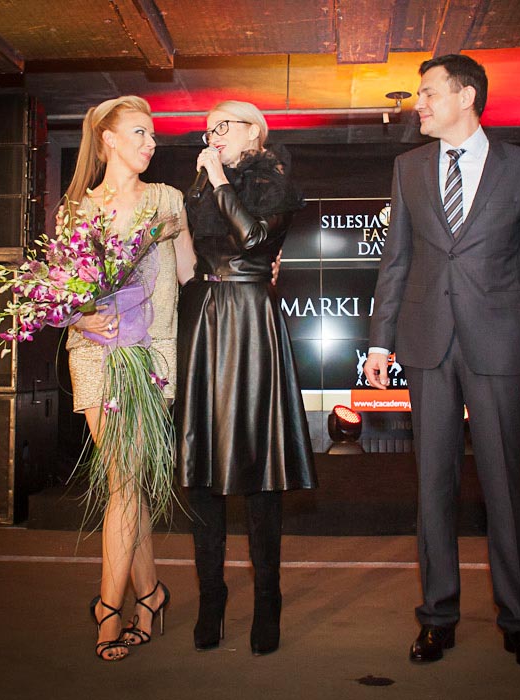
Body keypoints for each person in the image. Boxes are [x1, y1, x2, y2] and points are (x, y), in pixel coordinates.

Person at [364, 55, 520, 672]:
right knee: (433, 487)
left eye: (427, 93)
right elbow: (396, 260)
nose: (417, 104)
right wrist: (379, 342)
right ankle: (437, 618)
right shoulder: (409, 168)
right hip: (427, 344)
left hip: (500, 346)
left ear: (466, 96)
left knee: (504, 486)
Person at [175, 100, 317, 656]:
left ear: (254, 131)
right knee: (202, 467)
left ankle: (267, 600)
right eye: (207, 128)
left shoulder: (273, 181)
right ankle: (211, 599)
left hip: (252, 320)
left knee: (259, 470)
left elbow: (254, 240)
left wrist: (216, 179)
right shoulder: (199, 188)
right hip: (203, 320)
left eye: (223, 125)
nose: (211, 134)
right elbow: (189, 258)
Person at [64, 95, 196, 661]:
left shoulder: (168, 199)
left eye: (153, 135)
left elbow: (189, 274)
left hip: (150, 354)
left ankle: (108, 607)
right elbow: (63, 293)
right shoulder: (77, 210)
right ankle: (148, 595)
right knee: (127, 483)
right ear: (109, 140)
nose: (151, 143)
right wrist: (81, 315)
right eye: (140, 133)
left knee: (125, 481)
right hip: (94, 354)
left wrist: (246, 266)